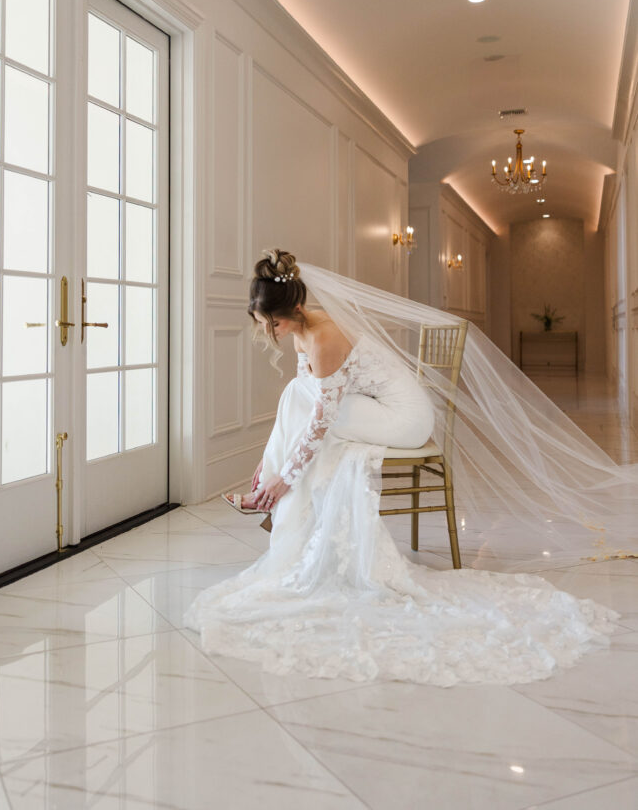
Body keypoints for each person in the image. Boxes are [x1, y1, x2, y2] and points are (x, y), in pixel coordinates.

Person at [183, 250, 625, 686]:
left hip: (405, 419)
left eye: (275, 323)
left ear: (296, 309)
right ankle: (272, 497)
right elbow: (302, 405)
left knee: (315, 417)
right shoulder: (303, 331)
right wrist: (268, 459)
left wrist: (285, 474)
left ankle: (274, 499)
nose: (272, 332)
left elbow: (319, 422)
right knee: (297, 396)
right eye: (265, 325)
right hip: (372, 407)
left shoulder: (324, 336)